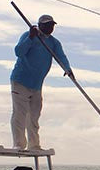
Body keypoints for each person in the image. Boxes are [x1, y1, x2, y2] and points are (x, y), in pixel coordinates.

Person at [10, 14, 74, 151]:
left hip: (37, 85)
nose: (50, 28)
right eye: (47, 25)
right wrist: (30, 37)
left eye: (52, 25)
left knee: (34, 115)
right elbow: (19, 52)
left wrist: (67, 69)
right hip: (20, 81)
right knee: (20, 113)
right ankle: (18, 144)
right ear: (40, 25)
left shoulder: (54, 42)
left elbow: (61, 56)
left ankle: (34, 145)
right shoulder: (28, 35)